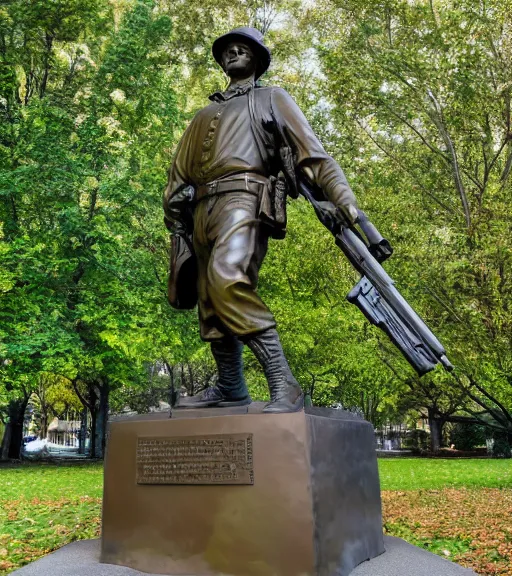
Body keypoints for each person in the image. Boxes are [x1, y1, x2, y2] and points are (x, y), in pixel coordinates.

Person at [163, 27, 358, 413]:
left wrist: (345, 199)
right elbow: (178, 174)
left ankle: (284, 382)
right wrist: (176, 220)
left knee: (227, 279)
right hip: (200, 211)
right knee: (209, 300)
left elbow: (313, 156)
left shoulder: (272, 98)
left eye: (244, 47)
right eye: (227, 49)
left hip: (245, 198)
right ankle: (231, 386)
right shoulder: (203, 115)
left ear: (257, 58)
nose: (234, 51)